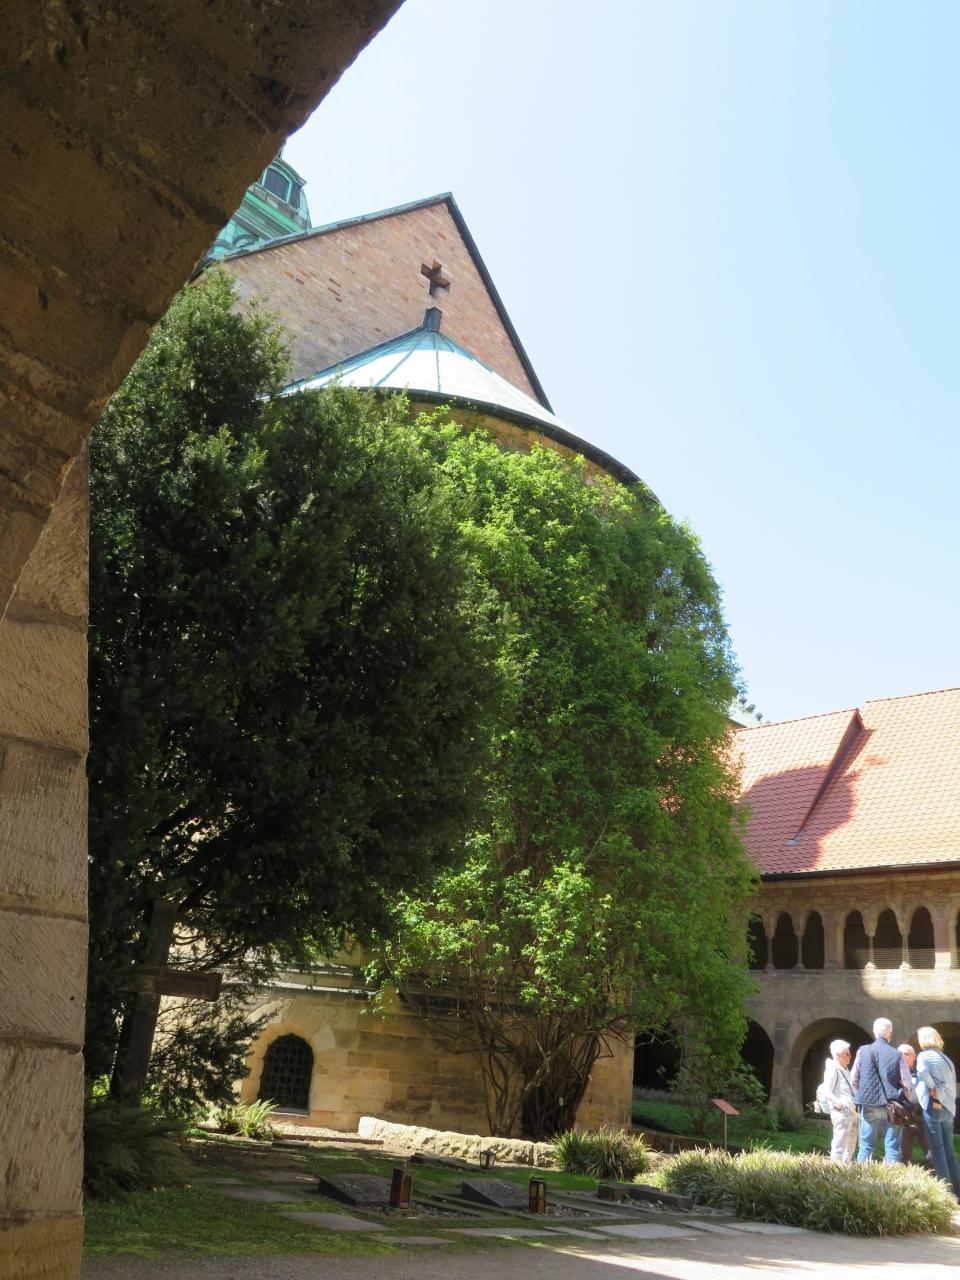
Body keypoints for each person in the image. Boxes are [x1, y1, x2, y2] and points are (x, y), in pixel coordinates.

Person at [851, 1016, 914, 1163]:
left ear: (874, 1032)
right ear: (890, 1034)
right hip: (892, 1106)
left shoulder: (863, 1051)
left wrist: (861, 1094)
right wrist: (905, 1100)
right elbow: (907, 1083)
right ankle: (891, 1176)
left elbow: (853, 1078)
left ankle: (860, 1176)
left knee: (865, 1146)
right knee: (892, 1148)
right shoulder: (897, 1054)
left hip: (868, 1103)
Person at [916, 1026, 960, 1200]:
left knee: (937, 1151)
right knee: (949, 1151)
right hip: (948, 1108)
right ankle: (958, 1190)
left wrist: (932, 1087)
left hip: (934, 1106)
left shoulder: (924, 1055)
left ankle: (947, 1195)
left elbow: (922, 1072)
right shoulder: (946, 1058)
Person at [821, 1039, 858, 1163]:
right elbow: (827, 1089)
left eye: (849, 1053)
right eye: (847, 1053)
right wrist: (838, 1104)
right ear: (838, 1055)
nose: (850, 1056)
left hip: (852, 1111)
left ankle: (845, 1167)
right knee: (840, 1141)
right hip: (842, 1112)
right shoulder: (833, 1068)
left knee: (851, 1142)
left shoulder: (845, 1069)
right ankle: (835, 1167)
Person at [897, 1042, 933, 1167]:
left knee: (931, 1153)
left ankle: (938, 1175)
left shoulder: (921, 1071)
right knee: (904, 1155)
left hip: (922, 1117)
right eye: (900, 1054)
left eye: (906, 1054)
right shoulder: (895, 1073)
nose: (902, 1057)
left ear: (913, 1056)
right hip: (905, 1119)